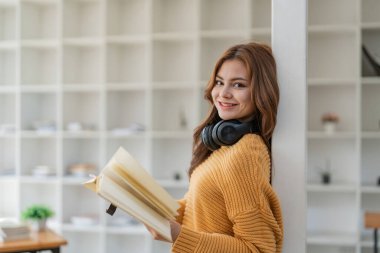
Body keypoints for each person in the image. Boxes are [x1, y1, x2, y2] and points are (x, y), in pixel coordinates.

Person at [146, 42, 283, 253]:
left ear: (261, 92)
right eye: (220, 82)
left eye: (238, 85)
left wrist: (177, 235)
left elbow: (258, 249)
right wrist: (154, 208)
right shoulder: (224, 146)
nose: (223, 93)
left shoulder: (246, 153)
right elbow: (203, 210)